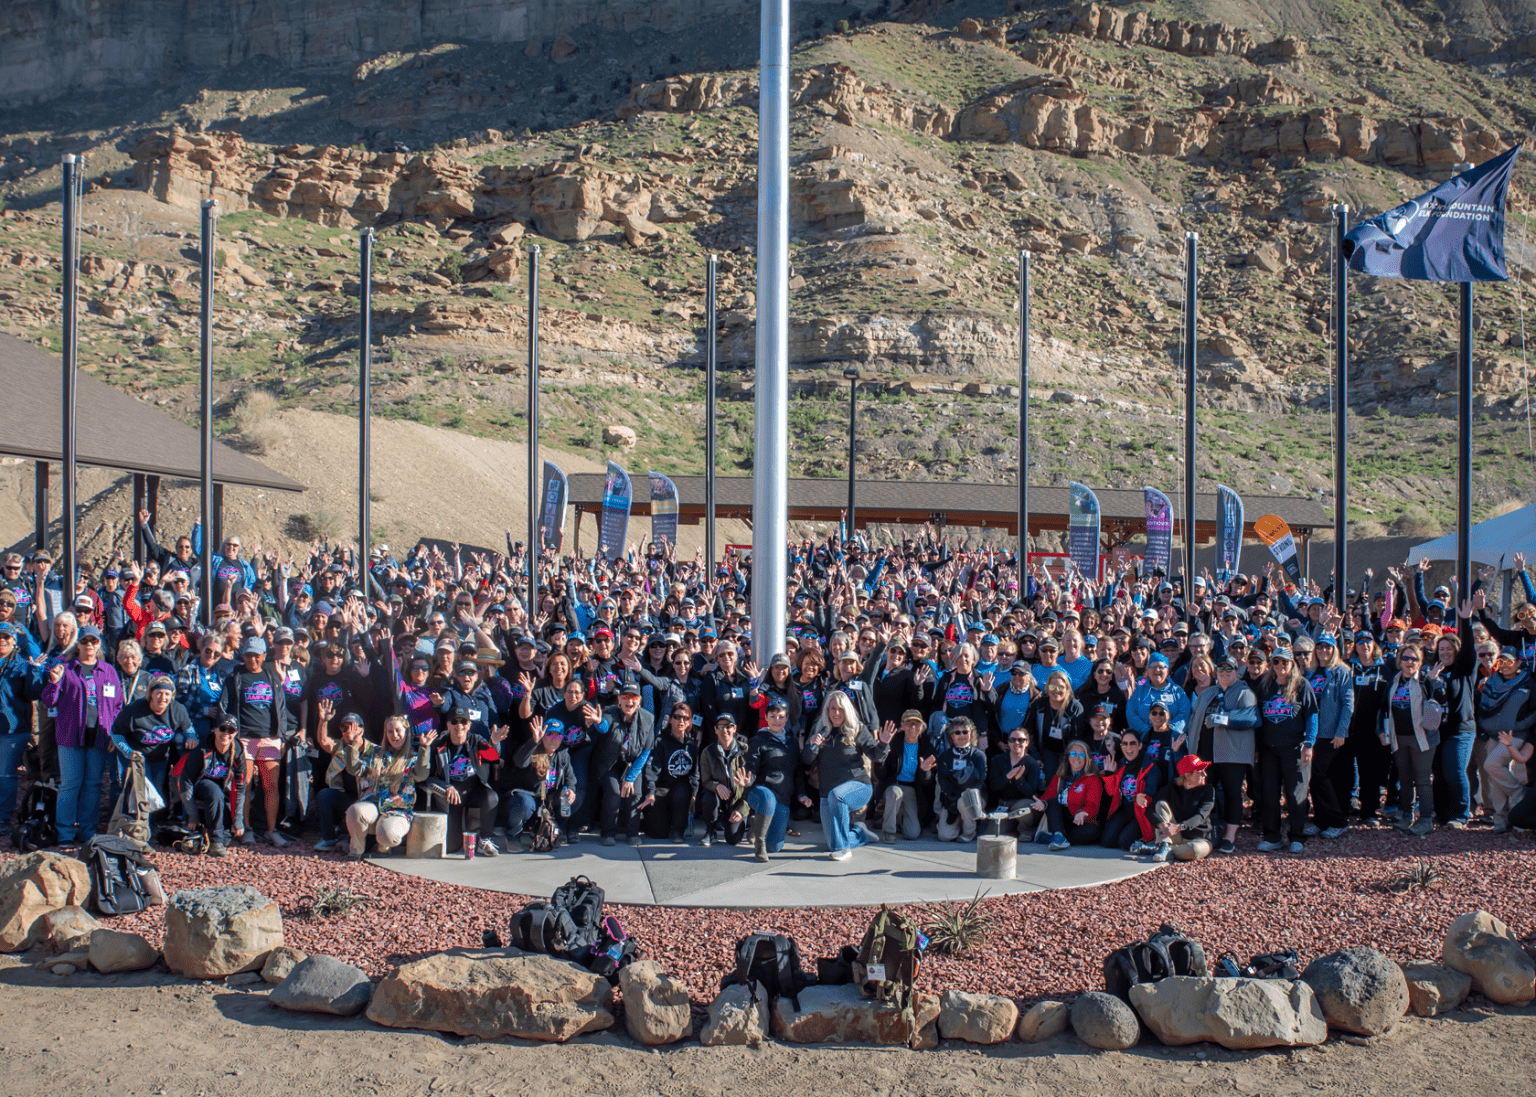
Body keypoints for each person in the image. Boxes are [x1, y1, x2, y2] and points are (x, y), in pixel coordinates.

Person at [41, 625, 123, 846]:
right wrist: (54, 682)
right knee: (70, 784)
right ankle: (65, 833)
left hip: (99, 736)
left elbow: (117, 705)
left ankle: (88, 832)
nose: (89, 645)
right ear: (77, 644)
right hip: (70, 736)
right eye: (85, 641)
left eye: (94, 641)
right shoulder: (65, 669)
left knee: (93, 784)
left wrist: (114, 734)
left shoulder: (108, 671)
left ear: (99, 644)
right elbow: (49, 701)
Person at [221, 636, 294, 847]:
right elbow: (225, 707)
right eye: (249, 655)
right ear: (243, 656)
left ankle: (272, 830)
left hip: (269, 738)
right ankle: (246, 829)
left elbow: (281, 707)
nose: (253, 659)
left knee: (271, 786)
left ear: (264, 656)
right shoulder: (235, 677)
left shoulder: (271, 676)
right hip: (244, 738)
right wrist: (228, 734)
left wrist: (280, 735)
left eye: (257, 655)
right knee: (243, 784)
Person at [802, 692, 892, 859]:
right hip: (826, 795)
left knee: (838, 797)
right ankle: (860, 833)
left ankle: (844, 850)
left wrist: (884, 743)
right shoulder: (821, 730)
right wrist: (813, 745)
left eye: (841, 709)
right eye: (833, 709)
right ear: (827, 710)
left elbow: (876, 756)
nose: (836, 713)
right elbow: (807, 760)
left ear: (847, 710)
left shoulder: (857, 728)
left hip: (858, 787)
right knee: (833, 843)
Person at [338, 714, 435, 858]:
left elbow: (421, 775)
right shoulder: (375, 753)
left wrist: (425, 748)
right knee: (354, 811)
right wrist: (352, 745)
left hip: (397, 810)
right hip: (373, 804)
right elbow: (355, 770)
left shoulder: (413, 756)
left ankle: (384, 844)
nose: (394, 735)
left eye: (398, 730)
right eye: (390, 731)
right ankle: (355, 852)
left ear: (406, 732)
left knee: (388, 834)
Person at [1377, 640, 1445, 838]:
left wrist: (1434, 681)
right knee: (1405, 779)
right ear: (1400, 660)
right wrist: (1381, 730)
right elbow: (1383, 708)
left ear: (1420, 661)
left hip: (1422, 738)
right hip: (1399, 738)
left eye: (1414, 659)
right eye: (1406, 658)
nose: (1409, 662)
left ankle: (1425, 819)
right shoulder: (1394, 682)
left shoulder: (1425, 680)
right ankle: (1406, 814)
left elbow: (1441, 700)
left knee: (1423, 780)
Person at [1191, 658, 1260, 854]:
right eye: (1221, 668)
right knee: (1204, 793)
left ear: (1237, 672)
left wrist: (1223, 719)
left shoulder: (1244, 692)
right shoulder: (1207, 693)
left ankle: (1229, 837)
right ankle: (1207, 831)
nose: (1224, 672)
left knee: (1231, 794)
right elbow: (1194, 718)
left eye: (1229, 669)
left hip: (1232, 754)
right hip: (1205, 753)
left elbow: (1251, 718)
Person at [1254, 645, 1319, 853]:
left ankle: (1297, 836)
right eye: (1276, 661)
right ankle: (1272, 836)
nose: (1281, 665)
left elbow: (1312, 715)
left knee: (1296, 794)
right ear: (1271, 664)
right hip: (1269, 749)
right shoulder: (1265, 686)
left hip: (1295, 749)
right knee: (1269, 793)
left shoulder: (1302, 685)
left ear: (1292, 664)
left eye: (1285, 662)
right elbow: (1257, 718)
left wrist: (1309, 742)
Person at [109, 673, 193, 826]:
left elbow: (189, 728)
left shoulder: (177, 710)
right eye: (158, 693)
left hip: (161, 757)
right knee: (142, 791)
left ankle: (152, 828)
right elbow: (115, 732)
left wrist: (192, 737)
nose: (163, 697)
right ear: (151, 694)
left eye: (167, 694)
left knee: (157, 791)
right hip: (139, 756)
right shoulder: (135, 709)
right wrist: (127, 751)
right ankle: (138, 827)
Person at [425, 704, 506, 856]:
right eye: (454, 722)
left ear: (469, 725)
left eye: (463, 722)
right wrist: (446, 786)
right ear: (448, 725)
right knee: (452, 847)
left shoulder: (477, 741)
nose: (459, 726)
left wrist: (494, 744)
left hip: (475, 792)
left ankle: (483, 840)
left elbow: (493, 757)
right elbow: (427, 778)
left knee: (492, 797)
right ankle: (462, 830)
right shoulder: (439, 745)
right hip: (452, 798)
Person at [1478, 645, 1536, 832]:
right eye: (1501, 660)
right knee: (1495, 778)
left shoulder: (1528, 683)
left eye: (1509, 661)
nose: (1504, 665)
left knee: (1491, 764)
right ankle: (1501, 819)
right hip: (1495, 733)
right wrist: (1485, 726)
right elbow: (1483, 706)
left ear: (1519, 662)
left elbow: (1534, 711)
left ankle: (1519, 794)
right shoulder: (1492, 681)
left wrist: (1521, 725)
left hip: (1517, 735)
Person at [173, 714, 248, 856]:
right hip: (200, 786)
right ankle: (216, 842)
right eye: (222, 729)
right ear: (215, 730)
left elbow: (240, 787)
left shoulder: (238, 752)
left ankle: (215, 838)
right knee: (214, 791)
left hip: (222, 790)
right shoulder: (202, 749)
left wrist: (238, 820)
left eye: (230, 731)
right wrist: (192, 814)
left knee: (228, 833)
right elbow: (185, 781)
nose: (226, 734)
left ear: (236, 734)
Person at [592, 681, 655, 847]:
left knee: (634, 793)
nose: (630, 701)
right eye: (625, 697)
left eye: (633, 697)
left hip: (632, 764)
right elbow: (604, 727)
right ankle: (608, 833)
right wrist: (598, 723)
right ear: (619, 699)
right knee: (613, 791)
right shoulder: (610, 713)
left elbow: (646, 751)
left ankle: (633, 832)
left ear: (639, 700)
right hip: (610, 764)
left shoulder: (648, 719)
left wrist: (631, 777)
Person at [1306, 633, 1356, 839]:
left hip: (1330, 734)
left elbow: (1347, 704)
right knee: (1314, 777)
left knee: (1320, 775)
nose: (1323, 651)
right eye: (1320, 647)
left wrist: (1341, 731)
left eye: (1328, 647)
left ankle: (1338, 820)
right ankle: (1320, 819)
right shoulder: (1311, 672)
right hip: (1312, 734)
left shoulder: (1341, 671)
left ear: (1334, 649)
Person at [499, 714, 577, 846]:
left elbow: (570, 777)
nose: (554, 739)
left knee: (571, 797)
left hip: (547, 799)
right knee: (524, 803)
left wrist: (571, 789)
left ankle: (555, 830)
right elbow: (519, 761)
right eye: (550, 735)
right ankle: (513, 837)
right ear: (543, 736)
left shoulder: (562, 754)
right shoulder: (533, 749)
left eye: (558, 736)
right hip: (526, 797)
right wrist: (534, 742)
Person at [742, 697, 804, 861]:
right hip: (760, 792)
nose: (777, 720)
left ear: (787, 718)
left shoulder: (792, 742)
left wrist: (802, 794)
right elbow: (751, 768)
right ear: (767, 717)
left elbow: (797, 771)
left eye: (781, 716)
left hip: (782, 797)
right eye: (773, 716)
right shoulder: (758, 741)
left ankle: (757, 827)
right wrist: (746, 782)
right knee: (767, 799)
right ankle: (759, 844)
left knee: (775, 847)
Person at [0, 622, 42, 824]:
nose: (2, 641)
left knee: (6, 776)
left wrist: (34, 672)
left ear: (14, 642)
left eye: (6, 637)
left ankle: (3, 818)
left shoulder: (22, 665)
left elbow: (33, 693)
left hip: (12, 729)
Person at [1030, 738, 1102, 851]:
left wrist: (1083, 813)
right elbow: (1049, 795)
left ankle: (1054, 838)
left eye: (1081, 755)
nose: (1077, 758)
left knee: (1092, 832)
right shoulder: (1059, 777)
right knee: (1052, 802)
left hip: (1081, 820)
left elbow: (1093, 804)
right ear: (1068, 757)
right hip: (1062, 820)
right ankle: (1058, 836)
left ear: (1087, 758)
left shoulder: (1092, 779)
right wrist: (1042, 803)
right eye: (1073, 754)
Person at [644, 701, 701, 842]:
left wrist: (694, 794)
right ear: (670, 719)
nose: (681, 721)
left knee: (682, 789)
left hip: (681, 790)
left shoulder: (692, 745)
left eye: (685, 718)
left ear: (689, 722)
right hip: (662, 789)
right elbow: (652, 771)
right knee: (659, 833)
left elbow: (695, 774)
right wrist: (650, 792)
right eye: (677, 717)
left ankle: (678, 831)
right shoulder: (660, 741)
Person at [925, 715, 988, 843]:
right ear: (952, 736)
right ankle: (955, 822)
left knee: (965, 799)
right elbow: (943, 780)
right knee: (944, 836)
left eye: (965, 731)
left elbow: (981, 780)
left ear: (971, 734)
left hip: (973, 797)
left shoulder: (979, 755)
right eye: (957, 732)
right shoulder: (945, 756)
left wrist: (959, 785)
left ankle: (969, 832)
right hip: (952, 798)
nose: (962, 735)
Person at [1143, 755, 1217, 862]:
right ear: (1187, 775)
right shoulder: (1171, 788)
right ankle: (1164, 845)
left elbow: (1200, 817)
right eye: (1199, 771)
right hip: (1174, 836)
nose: (1204, 774)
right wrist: (1162, 825)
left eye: (1204, 771)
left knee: (1194, 850)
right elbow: (1150, 810)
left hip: (1198, 839)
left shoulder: (1208, 790)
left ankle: (1160, 849)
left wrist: (1179, 827)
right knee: (1161, 805)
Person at [879, 708, 936, 842]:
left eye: (916, 723)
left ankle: (900, 819)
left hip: (913, 789)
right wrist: (880, 753)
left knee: (912, 834)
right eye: (909, 723)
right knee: (894, 792)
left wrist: (925, 771)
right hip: (895, 786)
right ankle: (888, 832)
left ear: (922, 727)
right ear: (902, 726)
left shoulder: (927, 745)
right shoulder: (893, 742)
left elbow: (927, 782)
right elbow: (881, 774)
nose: (913, 727)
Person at [1100, 728, 1160, 851]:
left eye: (1132, 743)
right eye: (1125, 744)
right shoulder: (1121, 764)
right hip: (1125, 810)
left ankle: (1147, 842)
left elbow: (1151, 793)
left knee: (1124, 842)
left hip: (1142, 813)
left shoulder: (1150, 767)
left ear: (1140, 745)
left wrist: (1142, 796)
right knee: (1107, 841)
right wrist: (1109, 774)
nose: (1128, 747)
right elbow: (1111, 792)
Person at [697, 711, 749, 847]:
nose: (724, 730)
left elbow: (752, 786)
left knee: (732, 839)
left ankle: (746, 821)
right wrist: (716, 786)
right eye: (720, 726)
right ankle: (711, 831)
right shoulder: (707, 752)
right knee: (708, 797)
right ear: (715, 730)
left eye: (728, 726)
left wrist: (742, 809)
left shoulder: (745, 750)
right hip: (719, 798)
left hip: (738, 801)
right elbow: (705, 781)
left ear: (735, 728)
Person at [1021, 670, 1084, 779]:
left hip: (1067, 752)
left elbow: (1077, 737)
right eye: (1052, 687)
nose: (1056, 690)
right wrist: (1035, 755)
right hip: (1046, 750)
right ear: (1047, 688)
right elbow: (1029, 731)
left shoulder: (1074, 707)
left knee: (1065, 780)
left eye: (1060, 687)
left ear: (1067, 689)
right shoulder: (1039, 704)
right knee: (1049, 782)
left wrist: (1069, 758)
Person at [988, 724, 1045, 838]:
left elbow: (1031, 792)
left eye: (1021, 740)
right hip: (1003, 804)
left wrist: (1019, 779)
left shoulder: (1032, 763)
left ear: (1027, 742)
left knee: (1024, 807)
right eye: (1012, 740)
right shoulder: (998, 760)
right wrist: (1007, 777)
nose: (1016, 743)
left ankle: (1026, 831)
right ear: (1008, 742)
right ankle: (1012, 828)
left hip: (1021, 803)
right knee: (991, 833)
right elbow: (992, 786)